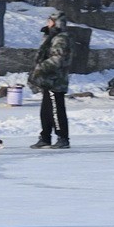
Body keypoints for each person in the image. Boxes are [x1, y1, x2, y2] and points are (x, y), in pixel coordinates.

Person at [28, 10, 73, 150]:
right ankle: (45, 137)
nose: (47, 24)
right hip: (48, 80)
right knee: (46, 111)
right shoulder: (51, 37)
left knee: (56, 110)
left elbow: (58, 59)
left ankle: (62, 137)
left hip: (56, 80)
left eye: (50, 21)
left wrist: (41, 67)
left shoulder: (61, 38)